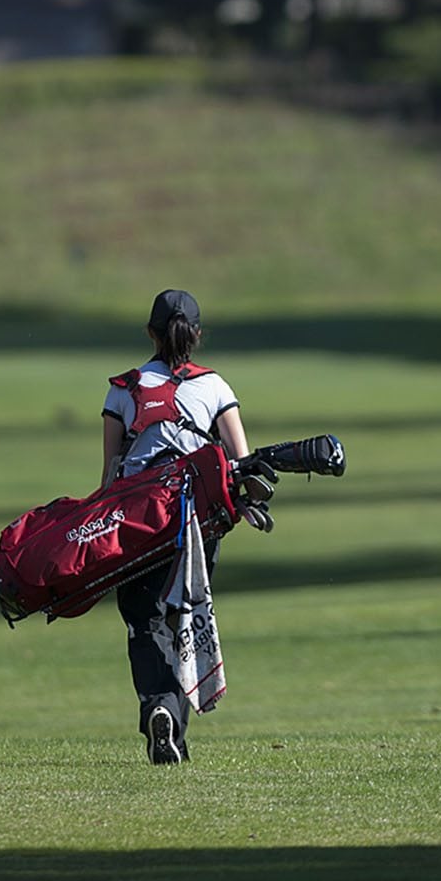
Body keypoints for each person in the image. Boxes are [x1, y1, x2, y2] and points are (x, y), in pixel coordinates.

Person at [100, 289, 250, 764]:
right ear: (197, 335)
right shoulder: (216, 387)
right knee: (181, 619)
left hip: (138, 520)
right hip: (198, 522)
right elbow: (241, 464)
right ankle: (172, 726)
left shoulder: (123, 388)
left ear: (150, 333)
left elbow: (109, 474)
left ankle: (160, 709)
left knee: (143, 622)